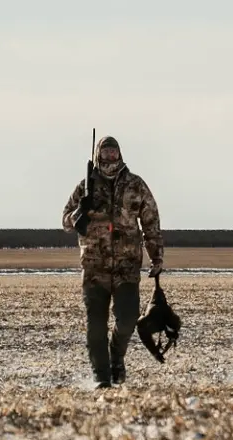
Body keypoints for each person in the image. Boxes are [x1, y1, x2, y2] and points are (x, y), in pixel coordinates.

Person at [62, 135, 164, 389]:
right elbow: (65, 221)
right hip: (94, 268)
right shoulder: (86, 186)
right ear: (99, 155)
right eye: (105, 152)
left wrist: (156, 255)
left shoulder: (134, 185)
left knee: (128, 319)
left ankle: (116, 356)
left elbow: (151, 220)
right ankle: (102, 377)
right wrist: (79, 212)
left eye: (113, 151)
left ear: (119, 154)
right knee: (95, 327)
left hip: (126, 267)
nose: (109, 156)